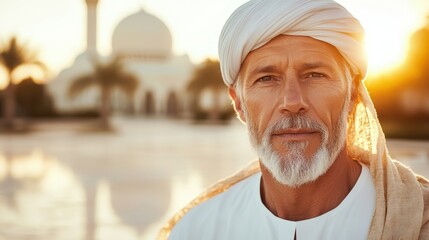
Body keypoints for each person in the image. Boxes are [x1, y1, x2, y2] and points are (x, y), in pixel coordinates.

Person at [159, 0, 429, 239]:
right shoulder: (199, 229)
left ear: (353, 95)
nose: (292, 102)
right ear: (238, 103)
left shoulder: (417, 218)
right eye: (266, 78)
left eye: (315, 75)